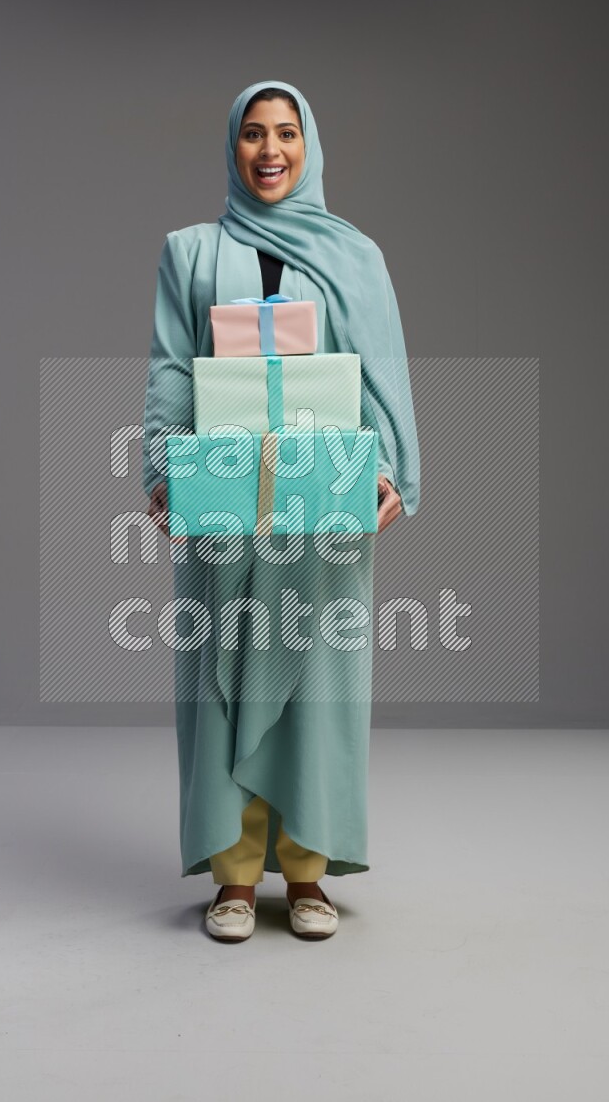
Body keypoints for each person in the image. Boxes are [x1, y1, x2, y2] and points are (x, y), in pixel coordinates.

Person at [142, 79, 420, 942]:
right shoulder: (191, 252)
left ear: (310, 145)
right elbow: (172, 367)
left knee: (318, 681)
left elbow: (382, 370)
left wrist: (392, 472)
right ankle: (233, 876)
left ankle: (306, 875)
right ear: (232, 147)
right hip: (225, 490)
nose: (270, 150)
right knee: (221, 676)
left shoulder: (355, 257)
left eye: (287, 133)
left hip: (321, 494)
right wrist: (164, 467)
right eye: (254, 134)